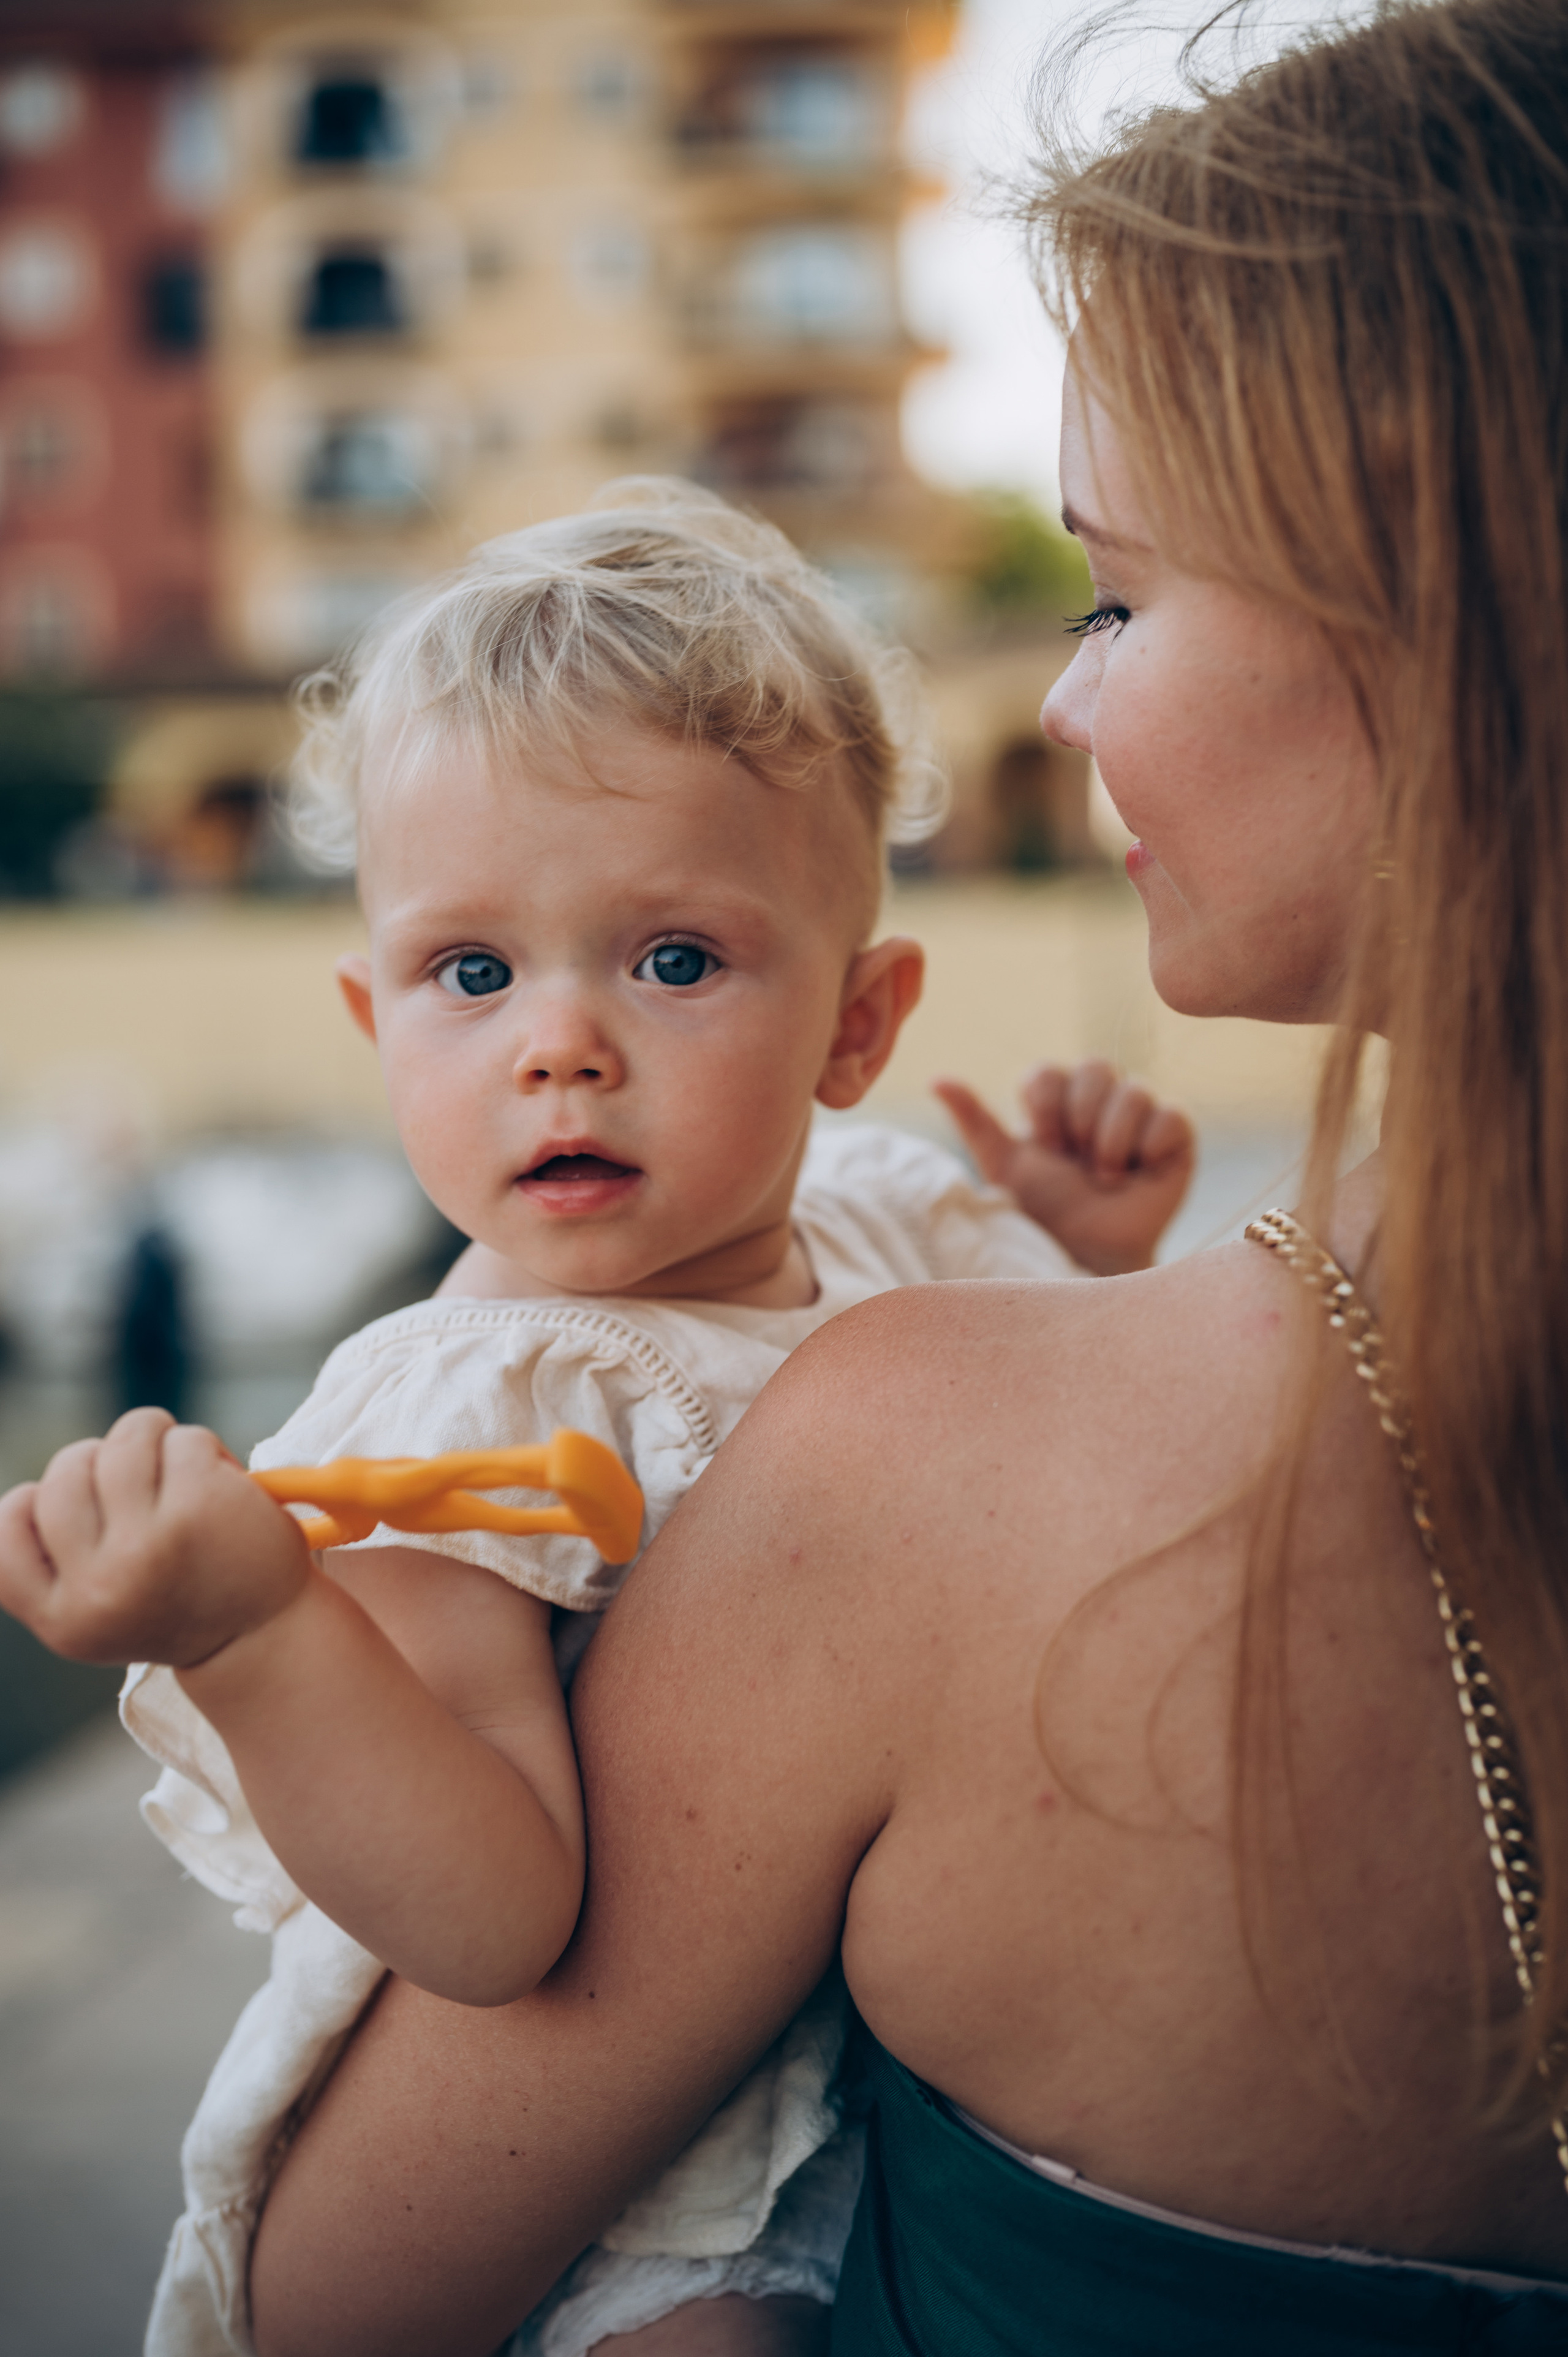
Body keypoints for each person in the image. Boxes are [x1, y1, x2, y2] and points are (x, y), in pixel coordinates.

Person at [222, 2, 1568, 2351]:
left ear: (1459, 628)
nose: (1062, 702)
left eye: (1120, 594)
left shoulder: (917, 1467)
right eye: (465, 971)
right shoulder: (517, 1392)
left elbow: (337, 2300)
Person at [0, 483, 1194, 2357]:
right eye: (470, 975)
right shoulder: (470, 1407)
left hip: (890, 2095)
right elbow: (493, 1926)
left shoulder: (881, 1220)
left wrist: (1081, 1256)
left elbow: (1040, 1466)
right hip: (639, 2221)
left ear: (858, 1025)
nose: (559, 1041)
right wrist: (258, 1632)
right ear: (372, 1013)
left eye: (673, 961)